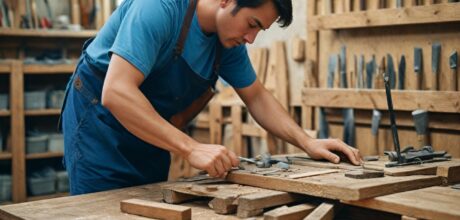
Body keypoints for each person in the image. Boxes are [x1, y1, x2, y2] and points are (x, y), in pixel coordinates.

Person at [61, 0, 362, 195]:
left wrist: (307, 141)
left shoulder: (227, 44)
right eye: (253, 24)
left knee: (146, 208)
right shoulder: (159, 8)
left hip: (149, 132)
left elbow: (256, 96)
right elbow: (116, 92)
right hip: (98, 126)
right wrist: (191, 148)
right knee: (100, 210)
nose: (251, 39)